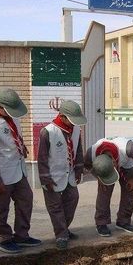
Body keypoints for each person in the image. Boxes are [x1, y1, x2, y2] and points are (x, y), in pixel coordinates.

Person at [0, 88, 41, 253]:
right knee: (1, 206)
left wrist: (22, 146)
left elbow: (13, 135)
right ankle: (3, 238)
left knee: (26, 199)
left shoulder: (11, 116)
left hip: (17, 168)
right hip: (0, 172)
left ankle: (22, 235)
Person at [37, 100, 87, 251]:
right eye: (71, 120)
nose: (73, 124)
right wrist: (45, 178)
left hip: (70, 174)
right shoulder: (48, 131)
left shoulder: (76, 130)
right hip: (53, 177)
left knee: (72, 199)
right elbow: (42, 157)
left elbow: (78, 151)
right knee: (55, 207)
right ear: (63, 117)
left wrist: (79, 170)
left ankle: (64, 229)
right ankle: (61, 235)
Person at [84, 137, 133, 237]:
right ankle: (101, 223)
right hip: (105, 168)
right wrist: (99, 176)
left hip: (127, 165)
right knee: (104, 192)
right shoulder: (91, 153)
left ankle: (123, 221)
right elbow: (87, 165)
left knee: (129, 190)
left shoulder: (128, 149)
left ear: (114, 160)